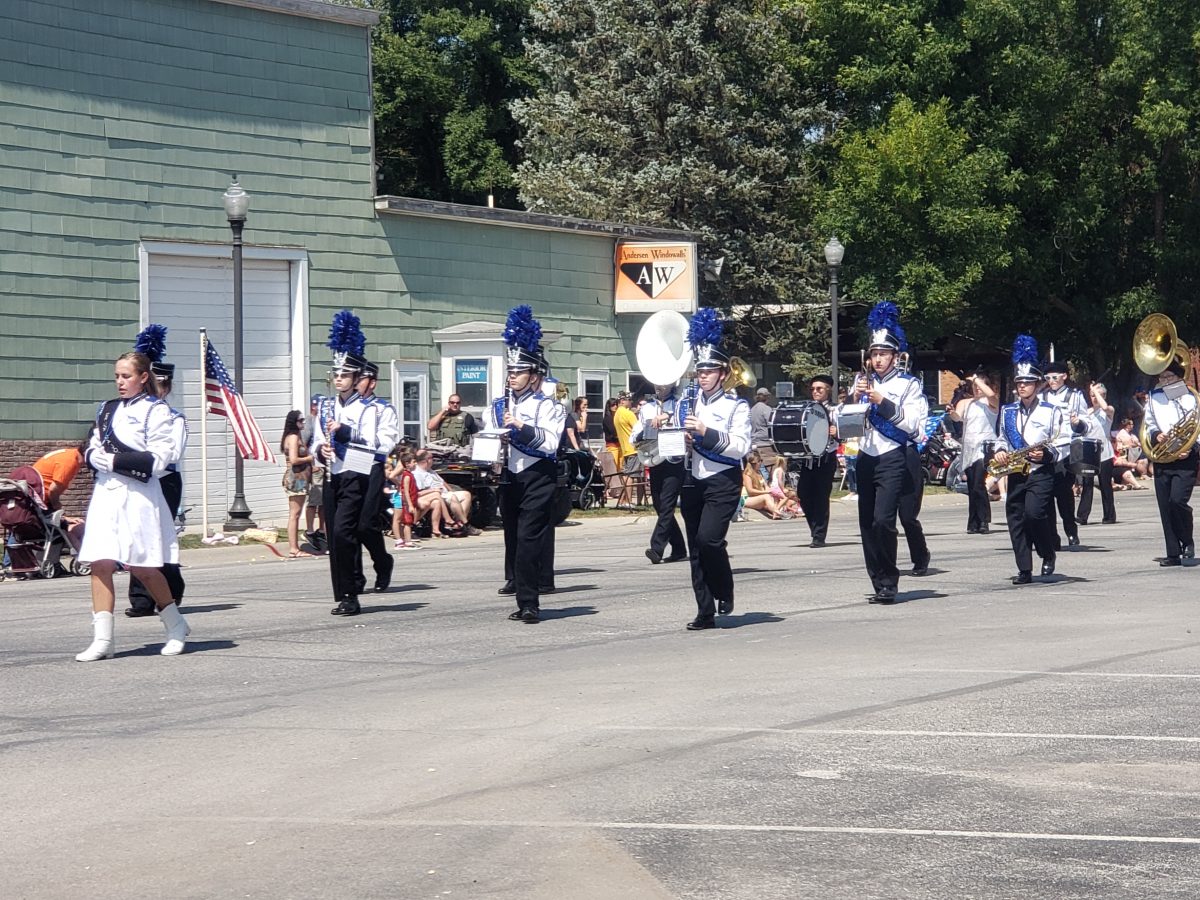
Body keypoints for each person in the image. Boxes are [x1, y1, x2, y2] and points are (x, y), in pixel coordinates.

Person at [74, 343, 190, 661]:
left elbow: (158, 459)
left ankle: (176, 624)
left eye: (126, 376)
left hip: (139, 496)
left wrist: (109, 460)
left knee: (144, 567)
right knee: (99, 563)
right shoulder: (107, 409)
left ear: (142, 377)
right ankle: (103, 640)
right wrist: (99, 457)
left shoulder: (157, 411)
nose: (120, 382)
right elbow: (91, 449)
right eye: (117, 376)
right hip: (106, 495)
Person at [840, 302, 925, 604]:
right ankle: (877, 580)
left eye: (883, 354)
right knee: (866, 522)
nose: (877, 360)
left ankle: (890, 579)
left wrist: (882, 401)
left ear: (895, 356)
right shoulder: (861, 382)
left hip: (892, 456)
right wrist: (853, 399)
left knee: (883, 521)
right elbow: (848, 423)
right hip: (866, 454)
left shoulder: (908, 385)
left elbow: (913, 424)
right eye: (874, 354)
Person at [312, 310, 393, 617]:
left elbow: (380, 444)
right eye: (336, 374)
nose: (338, 380)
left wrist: (345, 432)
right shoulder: (326, 405)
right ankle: (345, 590)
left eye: (344, 375)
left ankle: (351, 593)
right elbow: (316, 440)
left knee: (351, 530)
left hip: (360, 473)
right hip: (334, 474)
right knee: (337, 535)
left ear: (358, 378)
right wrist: (322, 452)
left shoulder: (376, 408)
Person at [487, 306, 565, 623]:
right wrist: (493, 445)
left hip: (538, 476)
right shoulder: (497, 405)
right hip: (509, 476)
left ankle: (531, 602)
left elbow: (548, 443)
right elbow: (488, 437)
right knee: (514, 538)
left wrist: (519, 427)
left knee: (530, 538)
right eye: (510, 371)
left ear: (533, 376)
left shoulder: (549, 407)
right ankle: (522, 597)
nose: (512, 377)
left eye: (518, 372)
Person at [678, 308, 751, 630]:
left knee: (709, 540)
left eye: (709, 371)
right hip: (692, 478)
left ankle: (725, 588)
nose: (703, 375)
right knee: (695, 546)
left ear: (723, 373)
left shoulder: (737, 406)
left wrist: (705, 432)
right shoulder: (686, 403)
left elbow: (740, 447)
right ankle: (704, 611)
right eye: (700, 371)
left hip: (722, 479)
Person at [991, 335, 1069, 584]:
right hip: (1015, 471)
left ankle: (1047, 553)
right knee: (1015, 519)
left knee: (1034, 515)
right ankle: (1024, 568)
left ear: (1038, 385)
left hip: (1040, 471)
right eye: (1019, 382)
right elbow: (1001, 438)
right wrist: (1000, 451)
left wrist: (1046, 454)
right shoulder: (1007, 411)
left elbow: (1063, 441)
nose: (1022, 386)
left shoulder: (1051, 411)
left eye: (1027, 382)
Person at [125, 326, 188, 619]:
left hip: (164, 480)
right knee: (136, 537)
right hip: (139, 479)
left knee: (159, 537)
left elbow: (171, 454)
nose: (157, 391)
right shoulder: (131, 414)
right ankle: (140, 599)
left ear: (168, 387)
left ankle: (171, 590)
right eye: (154, 384)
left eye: (161, 386)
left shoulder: (173, 418)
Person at [1143, 359, 1198, 566]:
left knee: (1177, 501)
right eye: (1162, 377)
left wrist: (1191, 447)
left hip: (1186, 458)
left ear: (1179, 377)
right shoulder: (1154, 397)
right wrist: (1156, 435)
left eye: (1169, 377)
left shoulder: (1191, 398)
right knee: (1165, 506)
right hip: (1163, 457)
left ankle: (1187, 538)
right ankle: (1173, 553)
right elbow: (1148, 424)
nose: (1164, 381)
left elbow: (1197, 426)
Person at [632, 379, 687, 564]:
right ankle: (679, 547)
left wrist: (668, 417)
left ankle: (657, 548)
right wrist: (641, 434)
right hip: (655, 457)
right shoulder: (647, 407)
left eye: (663, 383)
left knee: (667, 504)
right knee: (658, 503)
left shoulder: (680, 402)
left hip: (674, 458)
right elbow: (636, 431)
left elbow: (686, 421)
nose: (659, 386)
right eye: (657, 383)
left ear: (671, 385)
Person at [1040, 361, 1088, 549]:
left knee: (1063, 494)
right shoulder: (1041, 396)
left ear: (1064, 377)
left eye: (1055, 377)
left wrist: (1078, 422)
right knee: (1046, 494)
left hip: (1067, 449)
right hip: (1046, 449)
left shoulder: (1075, 396)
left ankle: (1071, 529)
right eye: (1048, 378)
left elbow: (1086, 422)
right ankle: (1052, 535)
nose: (1051, 381)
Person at [948, 372, 999, 534]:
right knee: (971, 485)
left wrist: (977, 379)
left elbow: (991, 394)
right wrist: (952, 413)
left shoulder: (991, 402)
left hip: (984, 447)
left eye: (980, 386)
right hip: (968, 447)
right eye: (974, 387)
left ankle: (984, 520)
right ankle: (973, 521)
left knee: (978, 483)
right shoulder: (966, 402)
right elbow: (958, 417)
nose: (977, 389)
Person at [796, 375, 839, 547]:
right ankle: (814, 528)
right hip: (808, 458)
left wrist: (837, 431)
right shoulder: (807, 408)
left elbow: (847, 431)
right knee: (804, 494)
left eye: (819, 389)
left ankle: (819, 535)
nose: (815, 392)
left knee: (821, 496)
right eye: (813, 389)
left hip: (827, 457)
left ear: (828, 390)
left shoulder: (836, 410)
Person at [1075, 382, 1117, 526]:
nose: (1094, 398)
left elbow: (1105, 407)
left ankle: (1109, 516)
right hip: (1089, 453)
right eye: (1091, 396)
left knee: (1105, 485)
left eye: (1096, 395)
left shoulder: (1108, 411)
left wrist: (1095, 390)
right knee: (1087, 484)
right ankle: (1082, 515)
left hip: (1105, 452)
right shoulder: (1086, 413)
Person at [280, 410, 316, 558]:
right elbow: (294, 460)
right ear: (293, 422)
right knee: (294, 514)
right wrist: (309, 458)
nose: (303, 423)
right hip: (296, 478)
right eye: (300, 420)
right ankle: (294, 548)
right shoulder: (293, 437)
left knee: (295, 513)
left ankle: (294, 547)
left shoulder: (296, 436)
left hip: (301, 478)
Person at [32, 441, 85, 512]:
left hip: (34, 495)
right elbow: (53, 491)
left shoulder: (70, 454)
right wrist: (58, 511)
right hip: (39, 500)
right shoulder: (70, 462)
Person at [301, 394, 325, 548]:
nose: (319, 408)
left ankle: (322, 530)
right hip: (315, 466)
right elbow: (303, 444)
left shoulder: (324, 421)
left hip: (326, 466)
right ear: (313, 406)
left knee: (324, 502)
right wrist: (311, 462)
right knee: (314, 500)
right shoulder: (309, 421)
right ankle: (309, 530)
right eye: (318, 405)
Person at [387, 447, 421, 549]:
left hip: (405, 497)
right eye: (414, 461)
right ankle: (399, 541)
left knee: (404, 520)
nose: (415, 463)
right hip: (401, 497)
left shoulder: (406, 469)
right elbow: (392, 476)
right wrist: (399, 485)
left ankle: (403, 540)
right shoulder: (403, 468)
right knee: (398, 519)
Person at [742, 449, 783, 519]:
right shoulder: (747, 474)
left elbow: (766, 486)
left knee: (776, 497)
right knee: (766, 496)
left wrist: (773, 492)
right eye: (760, 461)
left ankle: (776, 513)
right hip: (747, 499)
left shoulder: (759, 473)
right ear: (755, 463)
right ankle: (778, 513)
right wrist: (766, 492)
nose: (761, 463)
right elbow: (750, 491)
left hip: (758, 497)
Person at [614, 391, 639, 508]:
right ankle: (628, 501)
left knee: (626, 475)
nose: (631, 402)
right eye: (629, 400)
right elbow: (639, 429)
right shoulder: (628, 414)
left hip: (624, 448)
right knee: (630, 476)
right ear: (622, 401)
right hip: (633, 448)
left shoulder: (617, 414)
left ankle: (624, 500)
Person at [749, 387, 775, 462]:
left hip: (753, 444)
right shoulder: (766, 409)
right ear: (767, 397)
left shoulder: (752, 409)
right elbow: (771, 425)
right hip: (765, 444)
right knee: (768, 470)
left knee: (757, 470)